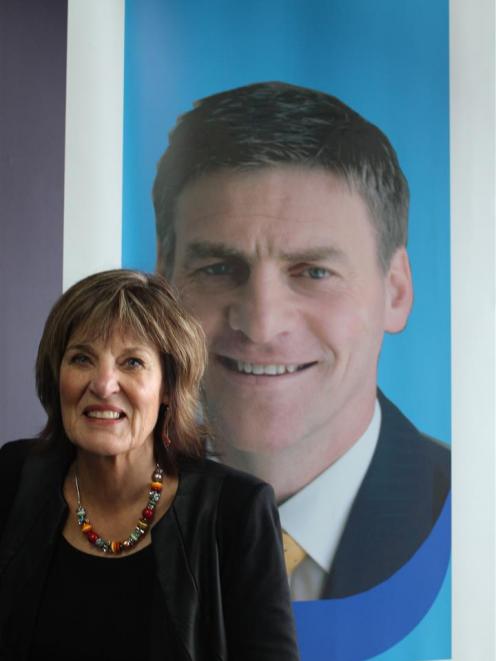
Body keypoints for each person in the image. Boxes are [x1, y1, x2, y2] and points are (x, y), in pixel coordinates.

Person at [152, 82, 451, 601]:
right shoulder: (80, 512)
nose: (262, 325)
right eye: (219, 267)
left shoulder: (476, 516)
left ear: (396, 292)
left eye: (313, 271)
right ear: (163, 286)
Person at [0, 269, 300, 661]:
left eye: (132, 363)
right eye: (82, 358)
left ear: (168, 389)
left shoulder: (236, 511)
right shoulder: (15, 478)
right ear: (57, 376)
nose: (104, 384)